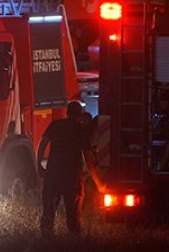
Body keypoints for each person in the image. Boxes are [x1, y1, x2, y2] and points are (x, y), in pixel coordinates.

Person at [35, 100, 104, 236]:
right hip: (72, 178)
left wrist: (39, 166)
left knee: (48, 213)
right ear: (80, 114)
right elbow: (89, 159)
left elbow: (42, 144)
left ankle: (46, 243)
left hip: (53, 175)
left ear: (67, 112)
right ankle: (73, 243)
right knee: (73, 216)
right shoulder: (81, 130)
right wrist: (99, 183)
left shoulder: (55, 125)